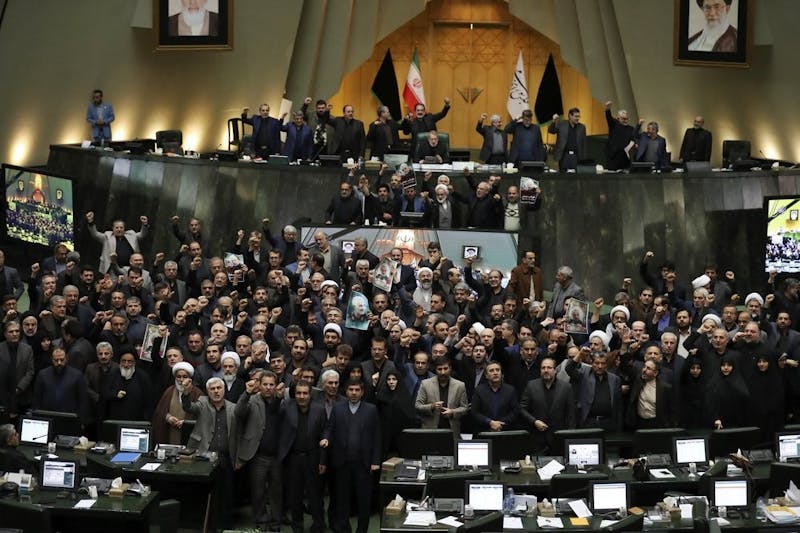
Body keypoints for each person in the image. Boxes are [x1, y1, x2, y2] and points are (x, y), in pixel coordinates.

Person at [323, 379, 381, 533]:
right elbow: (329, 428)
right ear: (346, 391)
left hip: (364, 464)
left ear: (362, 392)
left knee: (363, 502)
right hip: (342, 463)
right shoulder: (338, 409)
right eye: (351, 390)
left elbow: (377, 436)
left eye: (357, 390)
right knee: (342, 501)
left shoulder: (371, 410)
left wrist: (375, 461)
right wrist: (326, 438)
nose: (354, 393)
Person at [180, 376, 237, 530]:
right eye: (212, 389)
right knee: (203, 492)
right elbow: (188, 407)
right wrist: (185, 393)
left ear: (224, 390)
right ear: (207, 391)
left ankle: (226, 524)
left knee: (227, 492)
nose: (216, 391)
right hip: (203, 455)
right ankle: (203, 523)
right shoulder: (202, 403)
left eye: (219, 388)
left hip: (225, 457)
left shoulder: (232, 407)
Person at [234, 371, 283, 532]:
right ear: (259, 385)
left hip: (277, 455)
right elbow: (238, 412)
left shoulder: (282, 401)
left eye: (271, 384)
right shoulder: (252, 400)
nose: (268, 388)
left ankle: (275, 522)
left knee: (276, 492)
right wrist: (246, 393)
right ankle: (262, 521)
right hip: (258, 455)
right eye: (265, 384)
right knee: (258, 491)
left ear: (276, 386)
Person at [278, 380, 327, 533]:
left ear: (310, 394)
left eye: (305, 393)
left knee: (315, 495)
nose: (301, 396)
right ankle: (297, 527)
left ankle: (319, 526)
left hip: (313, 456)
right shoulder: (286, 406)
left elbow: (325, 432)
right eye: (298, 393)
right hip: (293, 458)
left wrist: (322, 460)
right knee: (295, 495)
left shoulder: (319, 409)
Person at [519, 357, 576, 452]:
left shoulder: (566, 387)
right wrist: (534, 421)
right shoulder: (531, 386)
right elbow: (521, 409)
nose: (546, 370)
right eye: (543, 368)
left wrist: (570, 436)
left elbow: (571, 414)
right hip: (537, 438)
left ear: (555, 370)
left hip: (558, 437)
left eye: (549, 367)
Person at [415, 356, 468, 437]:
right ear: (435, 370)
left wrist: (452, 412)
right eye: (439, 369)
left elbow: (464, 408)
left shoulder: (460, 385)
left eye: (445, 368)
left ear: (450, 368)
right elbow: (418, 406)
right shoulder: (425, 384)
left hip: (452, 431)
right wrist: (432, 406)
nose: (443, 372)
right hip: (430, 430)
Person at [32, 347, 88, 422]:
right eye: (56, 360)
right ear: (52, 359)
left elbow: (82, 401)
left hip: (69, 418)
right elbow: (37, 399)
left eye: (62, 360)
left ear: (66, 359)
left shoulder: (77, 375)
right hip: (47, 417)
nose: (59, 363)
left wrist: (82, 421)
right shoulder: (42, 375)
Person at [152, 361, 200, 445]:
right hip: (171, 432)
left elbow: (203, 417)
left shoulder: (197, 393)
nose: (181, 380)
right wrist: (168, 417)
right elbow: (160, 412)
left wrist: (186, 423)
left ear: (190, 378)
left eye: (185, 376)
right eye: (178, 377)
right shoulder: (169, 391)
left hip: (189, 435)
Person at [470, 361, 518, 435]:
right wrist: (490, 422)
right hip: (483, 432)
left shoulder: (510, 390)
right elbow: (474, 412)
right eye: (491, 371)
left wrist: (499, 424)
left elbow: (514, 412)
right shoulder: (479, 390)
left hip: (504, 432)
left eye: (497, 370)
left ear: (501, 374)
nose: (495, 373)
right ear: (486, 375)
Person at [0, 321, 33, 417]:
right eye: (11, 332)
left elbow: (30, 372)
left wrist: (20, 388)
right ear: (5, 334)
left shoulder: (27, 349)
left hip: (22, 395)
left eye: (17, 331)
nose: (15, 334)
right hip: (3, 395)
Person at [604, 101, 640, 170]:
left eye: (627, 119)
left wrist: (636, 144)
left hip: (625, 158)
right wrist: (608, 108)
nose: (625, 121)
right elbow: (608, 117)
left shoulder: (631, 128)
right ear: (618, 118)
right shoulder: (614, 124)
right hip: (613, 157)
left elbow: (634, 137)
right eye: (623, 119)